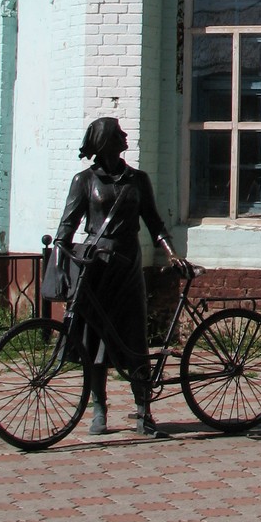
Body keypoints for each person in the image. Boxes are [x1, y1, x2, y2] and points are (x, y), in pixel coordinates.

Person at [53, 117, 180, 437]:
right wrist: (59, 266)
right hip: (97, 269)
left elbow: (154, 223)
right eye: (118, 133)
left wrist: (171, 253)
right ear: (104, 141)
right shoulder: (84, 181)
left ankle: (144, 411)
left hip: (128, 266)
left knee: (135, 338)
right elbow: (66, 228)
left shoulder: (138, 180)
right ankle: (99, 410)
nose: (125, 137)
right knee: (95, 343)